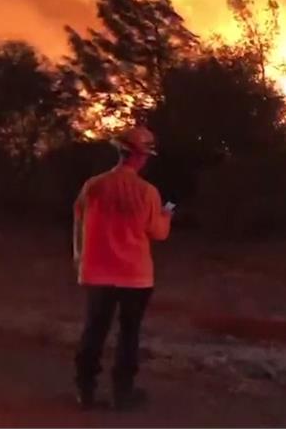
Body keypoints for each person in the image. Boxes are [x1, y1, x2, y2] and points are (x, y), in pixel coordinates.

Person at [72, 126, 173, 410]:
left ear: (120, 151)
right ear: (141, 157)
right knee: (129, 334)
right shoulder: (147, 192)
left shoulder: (93, 185)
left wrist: (79, 257)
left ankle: (86, 390)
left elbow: (79, 221)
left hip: (97, 273)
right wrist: (167, 214)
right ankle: (122, 393)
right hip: (134, 276)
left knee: (94, 330)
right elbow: (158, 232)